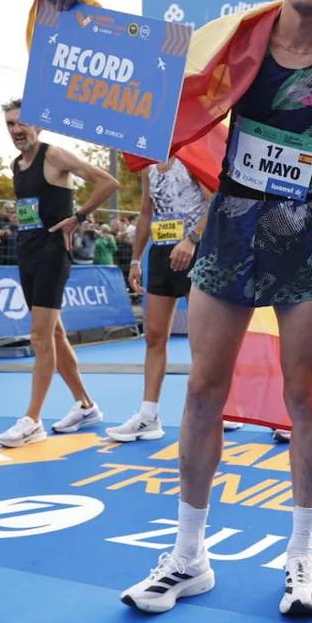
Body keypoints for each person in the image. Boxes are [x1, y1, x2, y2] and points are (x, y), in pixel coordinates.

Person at [49, 0, 312, 618]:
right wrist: (78, 15)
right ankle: (189, 557)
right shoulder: (242, 40)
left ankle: (301, 557)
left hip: (303, 230)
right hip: (229, 224)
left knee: (303, 397)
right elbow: (147, 72)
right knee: (202, 390)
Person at [0, 99, 118, 448]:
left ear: (38, 125)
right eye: (10, 125)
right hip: (27, 253)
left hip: (51, 255)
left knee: (39, 337)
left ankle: (32, 420)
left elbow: (107, 182)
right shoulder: (16, 165)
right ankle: (86, 406)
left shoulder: (54, 155)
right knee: (56, 335)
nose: (17, 130)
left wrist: (78, 217)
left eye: (22, 123)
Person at [107, 157, 216, 442]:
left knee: (203, 341)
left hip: (196, 252)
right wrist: (134, 260)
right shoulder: (149, 166)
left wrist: (191, 240)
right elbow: (146, 212)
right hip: (161, 254)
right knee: (154, 337)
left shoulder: (192, 156)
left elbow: (214, 201)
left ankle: (212, 411)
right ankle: (148, 416)